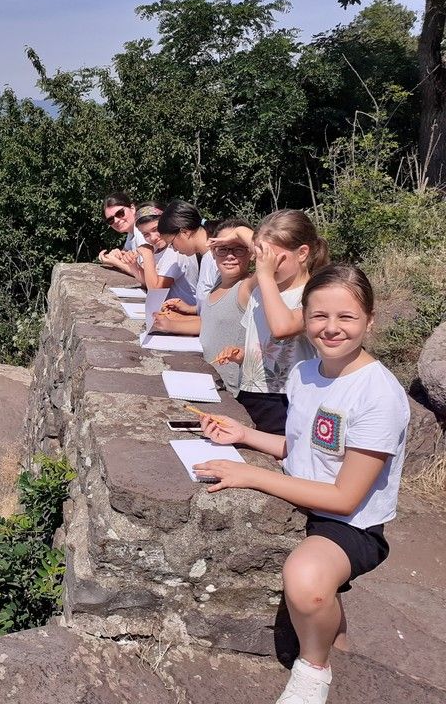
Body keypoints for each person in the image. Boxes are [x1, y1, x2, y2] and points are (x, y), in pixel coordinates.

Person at [192, 264, 409, 704]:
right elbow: (301, 447)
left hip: (350, 524)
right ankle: (346, 668)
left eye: (346, 317)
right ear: (304, 318)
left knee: (307, 582)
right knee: (326, 610)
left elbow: (346, 498)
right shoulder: (305, 373)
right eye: (319, 316)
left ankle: (314, 670)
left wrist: (251, 475)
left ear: (370, 319)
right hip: (307, 496)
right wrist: (245, 436)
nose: (331, 329)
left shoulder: (378, 394)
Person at [213, 210, 329, 435]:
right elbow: (264, 341)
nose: (264, 265)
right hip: (251, 391)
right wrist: (242, 355)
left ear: (302, 253)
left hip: (286, 399)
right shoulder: (261, 290)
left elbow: (282, 328)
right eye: (261, 258)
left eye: (272, 259)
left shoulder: (314, 295)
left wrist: (265, 276)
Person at [153, 220, 252, 398]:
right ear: (213, 252)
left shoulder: (247, 286)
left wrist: (240, 232)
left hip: (233, 389)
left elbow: (271, 259)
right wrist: (170, 325)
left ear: (251, 252)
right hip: (212, 381)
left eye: (238, 248)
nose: (230, 256)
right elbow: (209, 324)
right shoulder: (218, 283)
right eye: (223, 248)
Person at [155, 200, 252, 313]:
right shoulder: (206, 257)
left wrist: (172, 323)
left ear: (185, 232)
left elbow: (220, 315)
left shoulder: (218, 259)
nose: (174, 249)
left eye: (172, 243)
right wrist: (191, 309)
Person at [116, 203, 199, 306]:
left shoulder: (176, 250)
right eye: (146, 234)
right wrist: (133, 265)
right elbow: (148, 281)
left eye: (156, 229)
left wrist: (147, 255)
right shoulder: (158, 248)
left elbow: (156, 290)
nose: (153, 237)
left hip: (186, 312)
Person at [97, 192, 146, 272]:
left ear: (132, 208)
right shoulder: (132, 233)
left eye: (120, 213)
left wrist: (116, 262)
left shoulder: (143, 232)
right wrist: (115, 255)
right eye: (110, 220)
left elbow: (145, 275)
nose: (116, 221)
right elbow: (124, 255)